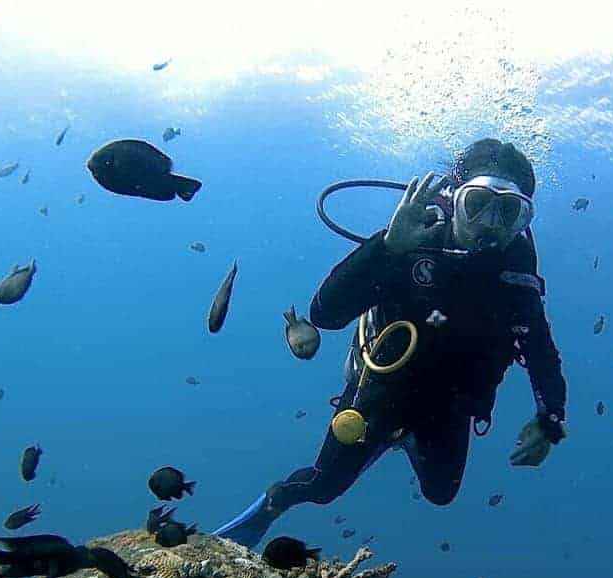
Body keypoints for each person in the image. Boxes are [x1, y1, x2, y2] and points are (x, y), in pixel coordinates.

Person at [214, 138, 568, 547]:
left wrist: (550, 420)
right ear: (453, 200)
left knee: (441, 494)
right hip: (382, 388)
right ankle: (276, 500)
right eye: (477, 203)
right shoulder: (412, 238)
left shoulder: (515, 279)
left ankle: (405, 439)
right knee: (324, 486)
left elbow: (541, 350)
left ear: (522, 221)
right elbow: (326, 314)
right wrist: (386, 248)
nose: (490, 222)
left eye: (507, 211)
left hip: (450, 405)